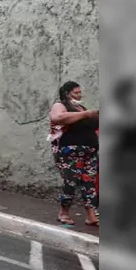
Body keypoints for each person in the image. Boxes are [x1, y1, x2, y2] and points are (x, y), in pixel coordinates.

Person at [49, 81, 99, 227]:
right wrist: (85, 114)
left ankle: (91, 215)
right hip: (70, 151)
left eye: (80, 92)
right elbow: (57, 118)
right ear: (67, 93)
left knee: (89, 184)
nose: (79, 95)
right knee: (71, 182)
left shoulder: (81, 108)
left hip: (89, 151)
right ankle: (63, 213)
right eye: (76, 92)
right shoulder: (60, 105)